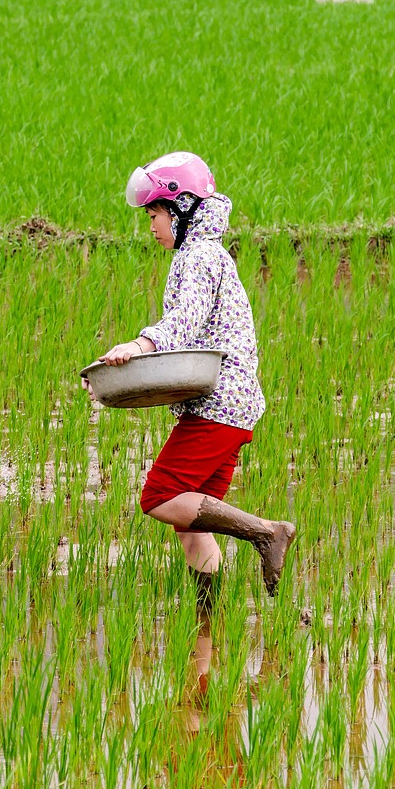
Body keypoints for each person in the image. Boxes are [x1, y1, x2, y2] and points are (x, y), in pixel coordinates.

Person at [91, 152, 296, 599]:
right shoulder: (208, 253)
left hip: (219, 403)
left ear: (181, 207)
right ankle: (209, 625)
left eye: (154, 213)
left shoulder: (197, 256)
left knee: (160, 497)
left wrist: (139, 346)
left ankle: (267, 533)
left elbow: (185, 319)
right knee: (189, 525)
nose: (151, 226)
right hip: (233, 406)